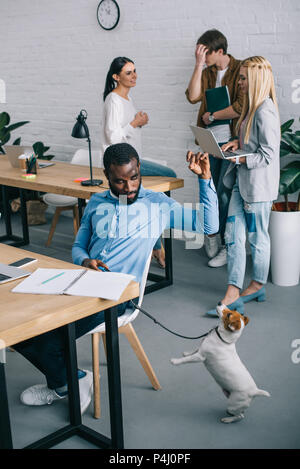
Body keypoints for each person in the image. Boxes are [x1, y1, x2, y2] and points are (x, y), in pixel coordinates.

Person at [16, 142, 219, 411]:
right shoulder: (97, 202)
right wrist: (85, 260)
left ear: (139, 170)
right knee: (20, 330)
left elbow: (208, 225)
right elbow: (79, 245)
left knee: (47, 339)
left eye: (134, 177)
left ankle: (66, 384)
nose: (129, 187)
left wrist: (205, 179)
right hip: (81, 282)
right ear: (107, 176)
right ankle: (71, 379)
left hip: (117, 296)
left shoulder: (157, 205)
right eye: (120, 181)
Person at [204, 56, 280, 317]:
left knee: (258, 238)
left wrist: (241, 157)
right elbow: (251, 142)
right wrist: (237, 144)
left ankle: (258, 284)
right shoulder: (251, 107)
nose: (239, 81)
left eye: (243, 77)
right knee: (233, 235)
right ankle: (233, 290)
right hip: (242, 181)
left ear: (257, 79)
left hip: (258, 188)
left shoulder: (266, 111)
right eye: (240, 77)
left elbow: (268, 155)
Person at [102, 57, 177, 268]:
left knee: (147, 197)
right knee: (167, 176)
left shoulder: (127, 99)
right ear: (116, 77)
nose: (134, 76)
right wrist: (134, 123)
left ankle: (155, 246)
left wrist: (138, 124)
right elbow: (112, 137)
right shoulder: (113, 100)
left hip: (133, 163)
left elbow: (126, 132)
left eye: (135, 71)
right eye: (128, 72)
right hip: (120, 166)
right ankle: (155, 247)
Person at [186, 29, 243, 268]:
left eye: (205, 52)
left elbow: (242, 106)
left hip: (231, 142)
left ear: (220, 50)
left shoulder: (241, 69)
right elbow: (192, 97)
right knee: (209, 191)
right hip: (209, 140)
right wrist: (199, 66)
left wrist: (214, 115)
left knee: (224, 193)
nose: (202, 56)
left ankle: (227, 246)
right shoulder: (207, 72)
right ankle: (213, 237)